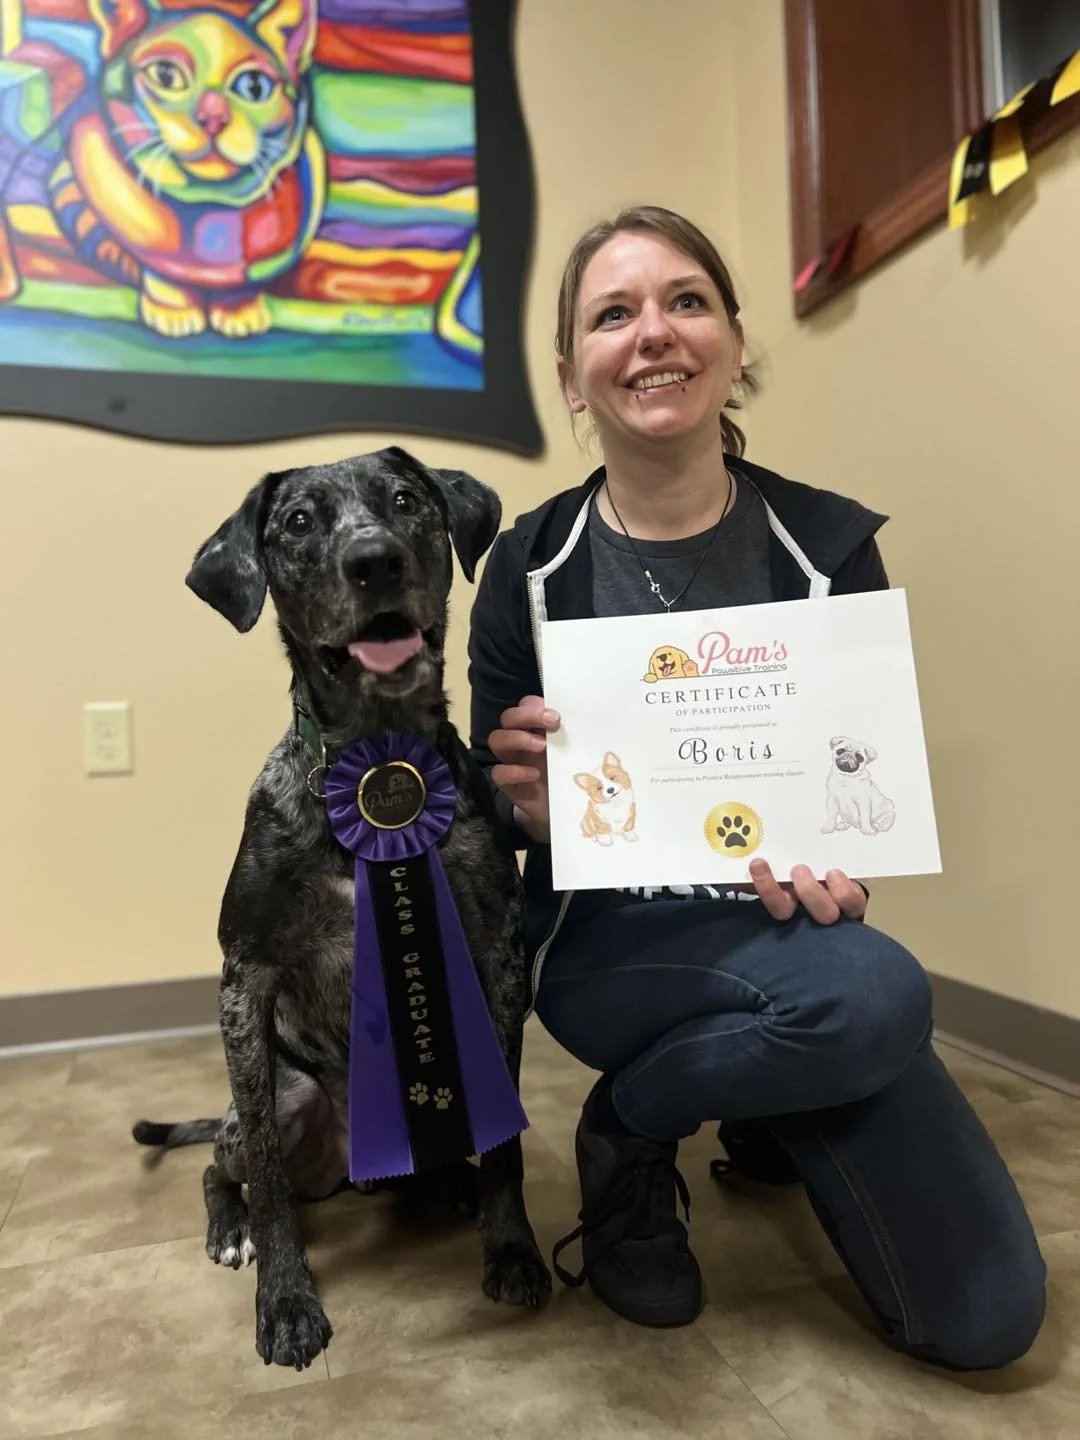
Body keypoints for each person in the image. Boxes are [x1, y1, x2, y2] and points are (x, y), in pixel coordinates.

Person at [466, 205, 1045, 1370]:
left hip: (791, 937)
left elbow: (856, 779)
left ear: (734, 344)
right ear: (573, 376)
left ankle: (648, 1108)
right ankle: (660, 1121)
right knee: (876, 998)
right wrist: (522, 805)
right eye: (613, 314)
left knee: (986, 1322)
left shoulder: (829, 547)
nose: (653, 333)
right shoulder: (525, 567)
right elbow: (487, 808)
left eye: (686, 301)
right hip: (605, 945)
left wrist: (846, 862)